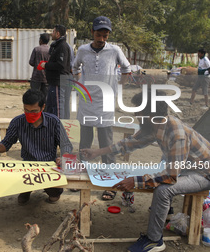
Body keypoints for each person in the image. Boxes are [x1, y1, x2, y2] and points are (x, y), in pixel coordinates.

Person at [81, 89, 210, 252]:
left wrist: (135, 181)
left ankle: (154, 240)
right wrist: (97, 152)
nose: (135, 114)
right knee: (158, 171)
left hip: (203, 173)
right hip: (186, 167)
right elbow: (129, 143)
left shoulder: (177, 134)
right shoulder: (155, 125)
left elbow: (171, 176)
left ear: (149, 114)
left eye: (138, 111)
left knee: (163, 190)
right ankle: (165, 212)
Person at [72, 16, 131, 201]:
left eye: (105, 35)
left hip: (105, 103)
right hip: (87, 102)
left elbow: (127, 69)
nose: (102, 39)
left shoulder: (115, 50)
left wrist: (118, 87)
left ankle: (110, 182)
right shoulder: (82, 50)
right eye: (99, 35)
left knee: (107, 142)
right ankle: (82, 177)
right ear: (92, 32)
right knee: (85, 140)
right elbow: (75, 67)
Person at [0, 89, 73, 204]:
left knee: (54, 196)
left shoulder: (54, 122)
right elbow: (5, 145)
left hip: (49, 166)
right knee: (21, 199)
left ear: (43, 108)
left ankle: (49, 189)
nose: (30, 114)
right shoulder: (18, 122)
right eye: (26, 110)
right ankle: (26, 190)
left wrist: (63, 157)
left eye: (34, 111)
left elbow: (66, 144)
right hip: (27, 165)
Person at [40, 24, 71, 118]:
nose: (51, 34)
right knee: (51, 105)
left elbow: (61, 65)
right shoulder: (57, 45)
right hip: (53, 82)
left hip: (59, 81)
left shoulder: (62, 46)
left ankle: (59, 127)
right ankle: (51, 126)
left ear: (57, 34)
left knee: (58, 107)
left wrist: (46, 65)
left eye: (53, 32)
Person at [29, 33, 50, 98]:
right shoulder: (51, 50)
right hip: (47, 78)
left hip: (36, 77)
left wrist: (37, 65)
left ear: (40, 40)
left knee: (34, 97)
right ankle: (44, 108)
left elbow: (31, 62)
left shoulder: (36, 49)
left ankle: (35, 108)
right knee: (45, 97)